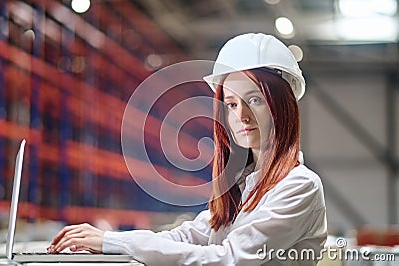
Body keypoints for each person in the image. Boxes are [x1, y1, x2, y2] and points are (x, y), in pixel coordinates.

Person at [48, 33, 327, 265]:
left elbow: (228, 259)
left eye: (254, 100)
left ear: (284, 105)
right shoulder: (243, 186)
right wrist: (109, 242)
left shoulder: (300, 186)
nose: (241, 116)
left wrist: (114, 242)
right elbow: (188, 236)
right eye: (231, 104)